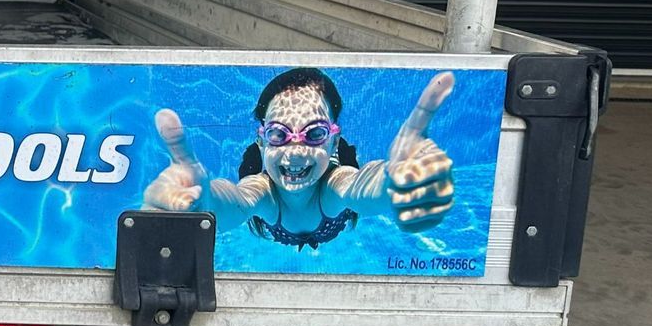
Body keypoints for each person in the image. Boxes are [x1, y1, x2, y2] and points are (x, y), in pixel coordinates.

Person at [141, 66, 455, 249]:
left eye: (314, 134)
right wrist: (204, 202)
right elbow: (235, 200)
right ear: (263, 144)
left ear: (333, 144)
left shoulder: (334, 186)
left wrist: (392, 183)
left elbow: (360, 186)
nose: (295, 151)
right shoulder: (263, 193)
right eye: (279, 135)